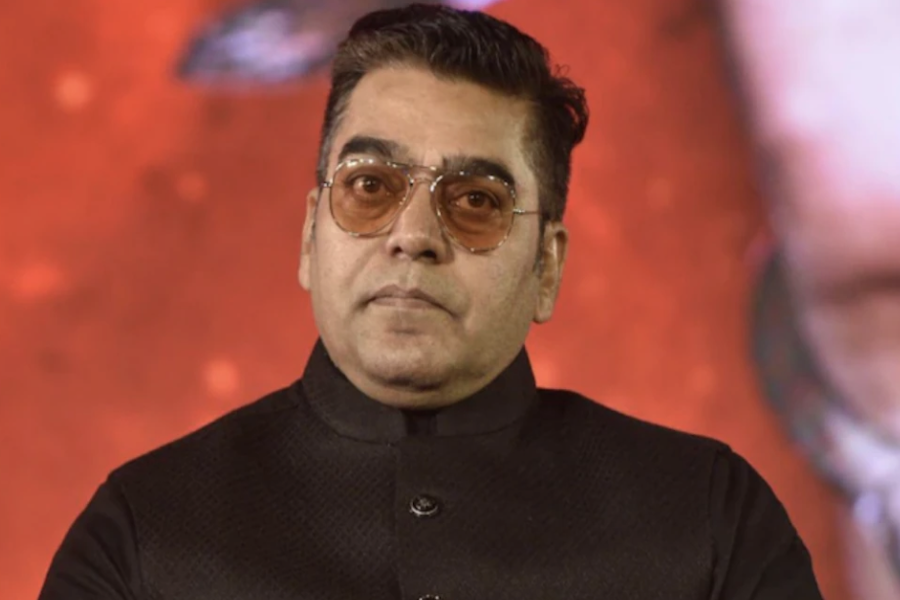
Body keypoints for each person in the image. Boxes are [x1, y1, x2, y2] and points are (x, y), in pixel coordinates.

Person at [38, 4, 823, 599]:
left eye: (476, 200)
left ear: (547, 266)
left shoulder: (707, 521)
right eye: (370, 187)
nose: (413, 236)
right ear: (309, 236)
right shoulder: (144, 538)